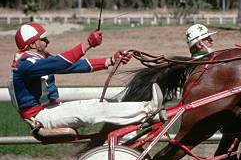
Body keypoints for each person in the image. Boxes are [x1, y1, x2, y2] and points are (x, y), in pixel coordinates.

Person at [9, 22, 163, 131]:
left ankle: (136, 124)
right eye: (44, 39)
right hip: (41, 116)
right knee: (93, 109)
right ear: (32, 44)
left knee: (98, 104)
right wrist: (88, 44)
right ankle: (147, 110)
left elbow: (73, 65)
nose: (47, 42)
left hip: (51, 110)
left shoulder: (33, 60)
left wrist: (110, 60)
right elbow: (61, 63)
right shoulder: (25, 64)